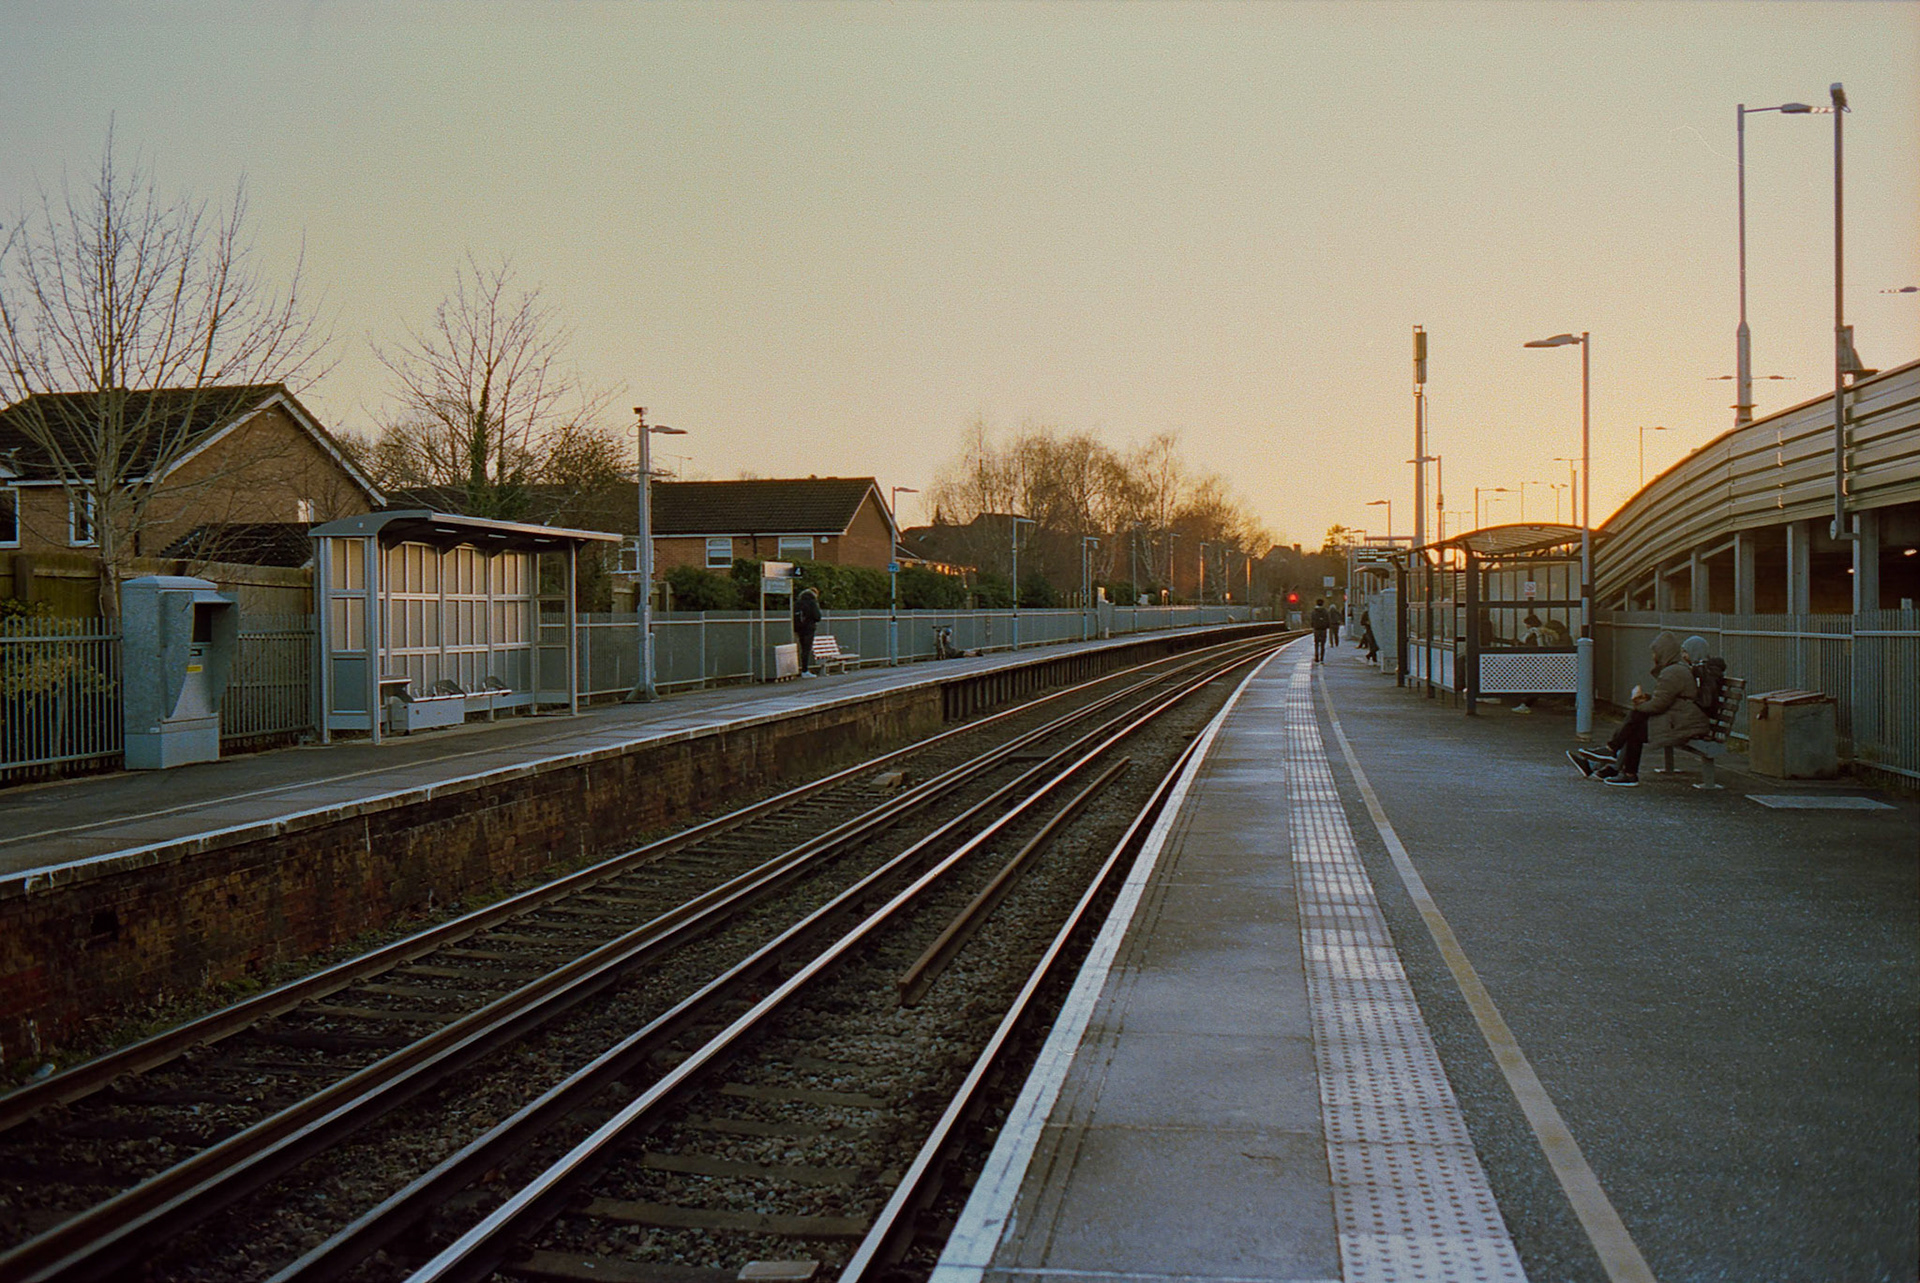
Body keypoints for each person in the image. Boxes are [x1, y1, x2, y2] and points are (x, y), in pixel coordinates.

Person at [1567, 629, 1709, 787]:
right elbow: (1666, 699)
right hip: (1678, 719)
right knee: (1635, 721)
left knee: (1635, 723)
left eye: (1655, 652)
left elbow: (1658, 705)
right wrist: (1644, 701)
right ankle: (1610, 764)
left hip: (1682, 724)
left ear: (1663, 652)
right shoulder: (1675, 670)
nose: (1653, 656)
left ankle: (1620, 765)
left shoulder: (1673, 672)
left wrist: (1640, 704)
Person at [793, 586, 823, 677]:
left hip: (799, 628)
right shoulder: (812, 602)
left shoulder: (798, 603)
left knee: (802, 649)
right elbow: (817, 617)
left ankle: (802, 669)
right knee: (807, 649)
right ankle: (805, 670)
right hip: (809, 628)